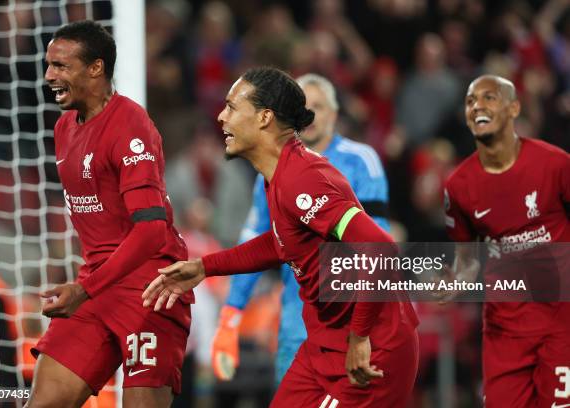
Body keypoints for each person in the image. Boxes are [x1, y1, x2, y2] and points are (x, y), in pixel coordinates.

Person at [143, 67, 418, 407]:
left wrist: (360, 336)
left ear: (264, 118)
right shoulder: (277, 176)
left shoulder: (304, 179)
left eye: (232, 107)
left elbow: (381, 249)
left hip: (370, 347)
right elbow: (281, 243)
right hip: (322, 345)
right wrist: (205, 267)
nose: (221, 116)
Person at [26, 21, 192, 408]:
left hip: (150, 290)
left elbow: (151, 230)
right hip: (98, 285)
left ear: (96, 68)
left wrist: (85, 288)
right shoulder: (65, 127)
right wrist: (89, 286)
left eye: (61, 66)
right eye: (49, 65)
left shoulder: (131, 125)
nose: (49, 75)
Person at [211, 73, 391, 385]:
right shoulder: (268, 172)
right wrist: (231, 313)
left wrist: (362, 328)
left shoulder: (360, 161)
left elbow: (375, 243)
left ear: (334, 114)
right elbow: (259, 241)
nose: (311, 114)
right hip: (296, 321)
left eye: (319, 106)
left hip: (349, 321)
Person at [444, 75, 570, 407]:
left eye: (489, 98)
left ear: (514, 108)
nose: (477, 107)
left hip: (561, 324)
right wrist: (455, 280)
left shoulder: (556, 165)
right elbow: (467, 259)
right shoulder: (458, 186)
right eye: (471, 101)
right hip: (504, 329)